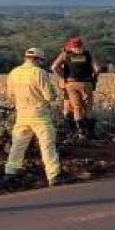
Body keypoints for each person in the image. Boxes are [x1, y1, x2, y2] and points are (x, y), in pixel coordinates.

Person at [5, 47, 76, 186]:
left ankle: (10, 173)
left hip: (22, 115)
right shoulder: (39, 73)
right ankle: (54, 175)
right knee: (47, 146)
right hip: (40, 115)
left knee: (18, 145)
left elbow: (10, 95)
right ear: (39, 60)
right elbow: (49, 96)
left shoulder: (14, 73)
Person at [51, 35, 102, 141]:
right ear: (81, 45)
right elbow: (97, 68)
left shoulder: (66, 55)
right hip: (86, 83)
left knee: (77, 108)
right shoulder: (87, 54)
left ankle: (81, 134)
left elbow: (54, 67)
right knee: (88, 108)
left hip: (71, 84)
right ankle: (90, 133)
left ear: (71, 45)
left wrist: (63, 76)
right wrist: (94, 78)